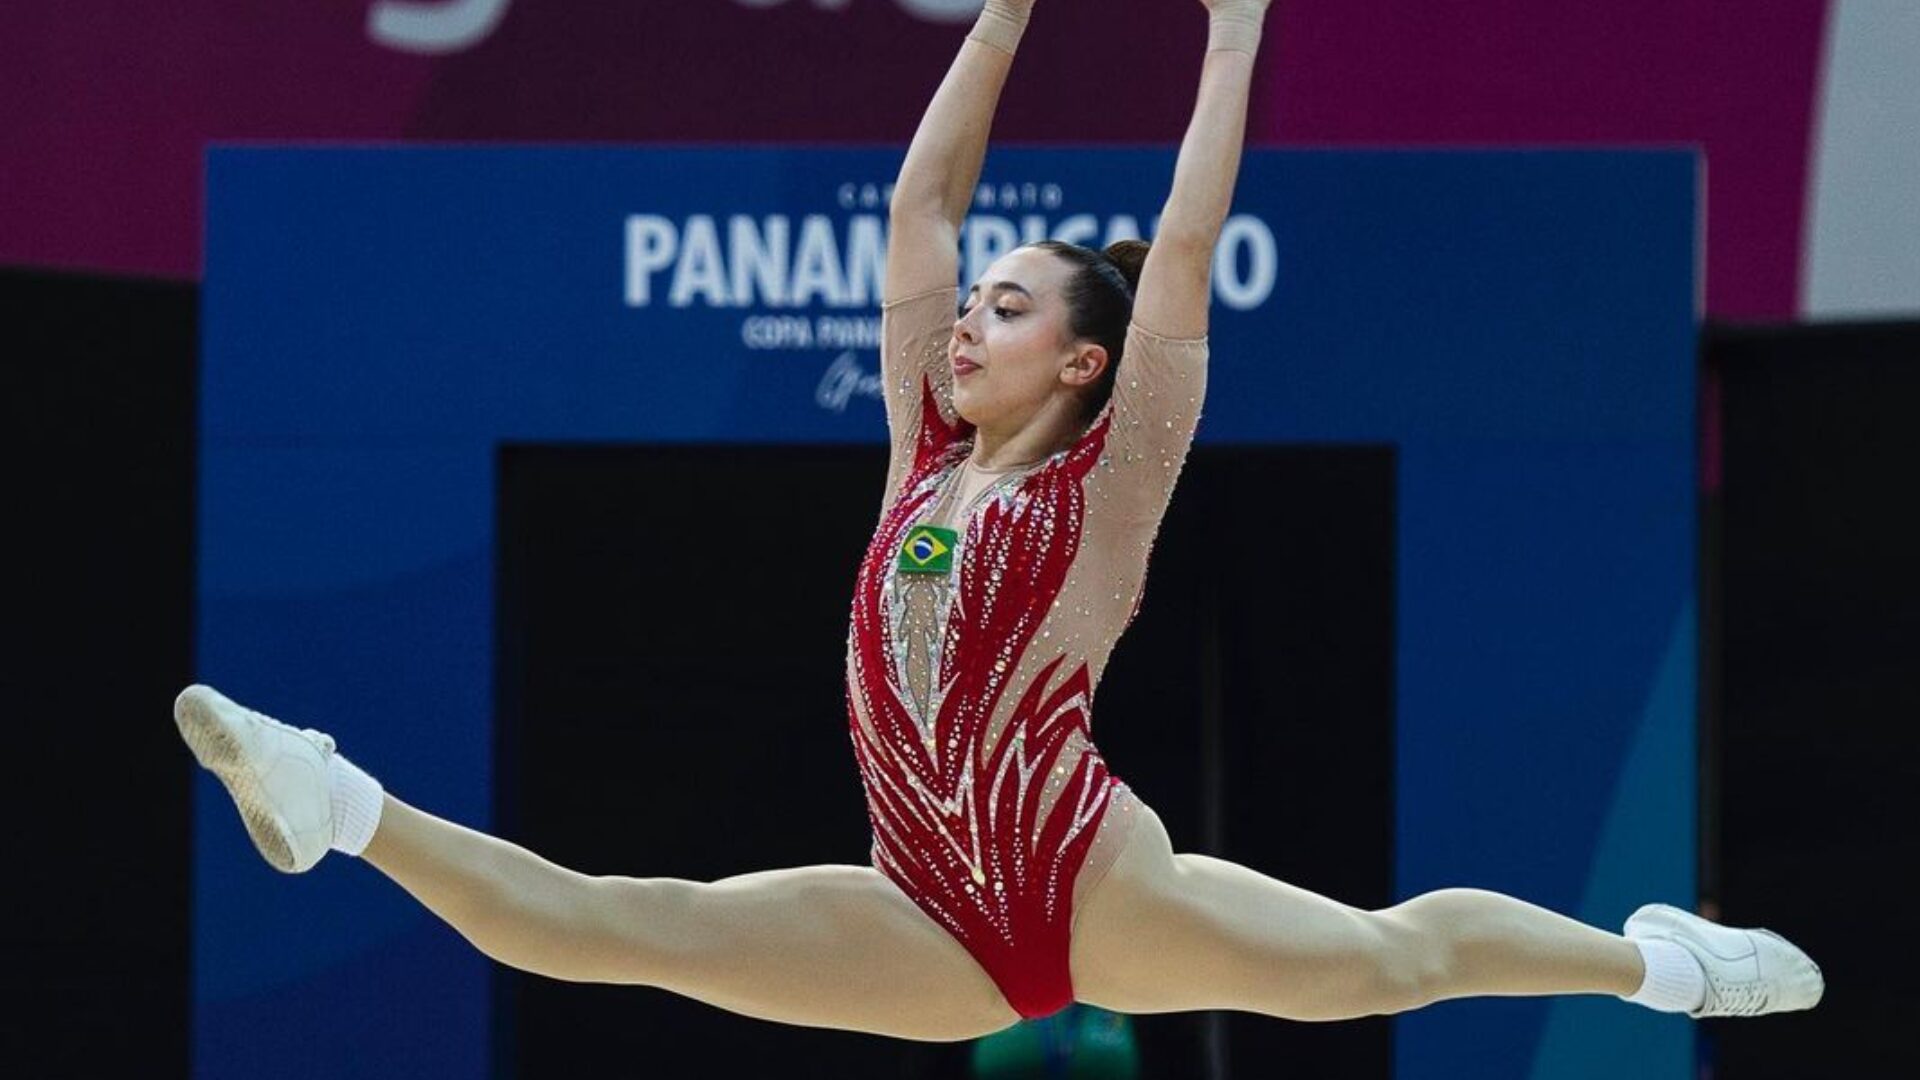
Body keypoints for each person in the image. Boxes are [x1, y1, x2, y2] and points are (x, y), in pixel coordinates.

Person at [175, 0, 1821, 1046]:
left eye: (1011, 307)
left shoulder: (1111, 475)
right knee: (625, 929)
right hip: (925, 915)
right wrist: (1009, 9)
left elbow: (1179, 251)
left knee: (1388, 965)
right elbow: (919, 208)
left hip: (1089, 881)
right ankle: (339, 804)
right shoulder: (913, 455)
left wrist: (1232, 31)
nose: (967, 317)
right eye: (973, 305)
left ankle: (1658, 964)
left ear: (1084, 359)